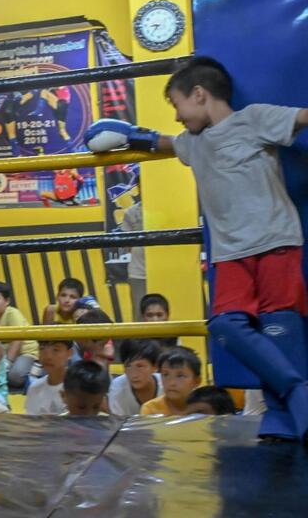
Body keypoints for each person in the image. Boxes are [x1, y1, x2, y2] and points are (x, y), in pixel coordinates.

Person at [87, 56, 308, 441]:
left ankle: (283, 420)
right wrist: (123, 134)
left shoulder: (253, 119)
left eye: (176, 104)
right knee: (225, 325)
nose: (175, 115)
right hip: (230, 255)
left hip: (275, 242)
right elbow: (161, 142)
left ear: (200, 94)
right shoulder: (193, 143)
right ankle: (299, 393)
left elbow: (301, 117)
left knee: (279, 331)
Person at [0, 281, 36, 390]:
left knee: (14, 377)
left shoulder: (11, 313)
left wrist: (7, 363)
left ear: (7, 301)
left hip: (26, 352)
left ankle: (36, 370)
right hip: (6, 353)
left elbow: (18, 339)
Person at [140, 347, 202, 416]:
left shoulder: (206, 408)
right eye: (165, 375)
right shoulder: (151, 409)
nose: (172, 383)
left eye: (180, 376)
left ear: (197, 381)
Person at [108, 339, 162, 416]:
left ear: (154, 366)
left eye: (140, 366)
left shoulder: (166, 385)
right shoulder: (118, 388)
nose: (134, 374)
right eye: (128, 366)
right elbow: (117, 424)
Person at [25, 340, 73, 416]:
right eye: (42, 349)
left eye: (55, 350)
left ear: (69, 353)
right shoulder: (34, 388)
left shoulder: (78, 388)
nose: (48, 356)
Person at [120, 200, 146, 318]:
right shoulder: (132, 212)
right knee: (139, 313)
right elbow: (127, 243)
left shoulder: (169, 209)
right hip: (139, 272)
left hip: (166, 269)